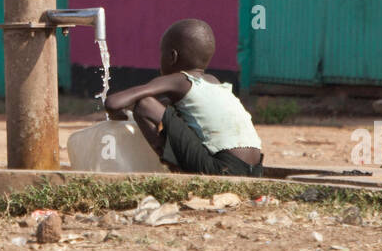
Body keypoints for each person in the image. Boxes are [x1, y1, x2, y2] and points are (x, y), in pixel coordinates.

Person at [104, 19, 264, 177]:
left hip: (221, 168)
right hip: (255, 170)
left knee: (145, 105)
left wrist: (119, 117)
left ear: (172, 56)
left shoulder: (179, 80)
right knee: (168, 111)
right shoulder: (213, 82)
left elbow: (113, 103)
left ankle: (173, 168)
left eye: (162, 54)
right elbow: (170, 112)